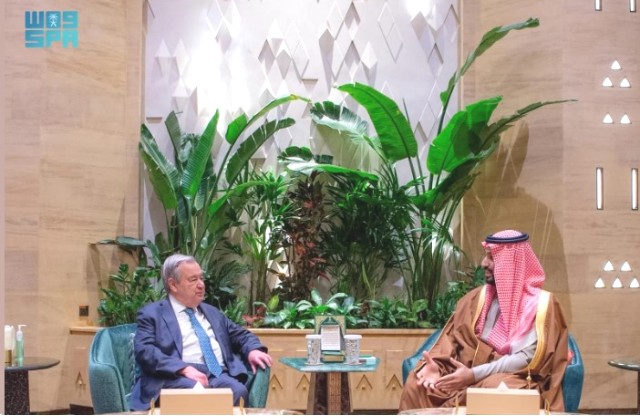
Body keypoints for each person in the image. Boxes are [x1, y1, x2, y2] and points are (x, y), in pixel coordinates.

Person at [399, 230, 569, 412]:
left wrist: (473, 375)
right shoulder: (475, 299)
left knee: (497, 389)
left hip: (511, 376)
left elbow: (525, 359)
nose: (483, 263)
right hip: (465, 373)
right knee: (418, 384)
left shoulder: (540, 305)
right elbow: (449, 339)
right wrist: (435, 366)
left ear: (511, 264)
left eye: (491, 257)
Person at [130, 254, 273, 411]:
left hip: (216, 373)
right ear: (173, 285)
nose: (201, 285)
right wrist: (182, 368)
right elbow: (145, 351)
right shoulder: (152, 314)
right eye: (193, 280)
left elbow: (240, 334)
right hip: (175, 376)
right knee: (196, 392)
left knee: (238, 392)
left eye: (201, 278)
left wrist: (253, 349)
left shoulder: (212, 312)